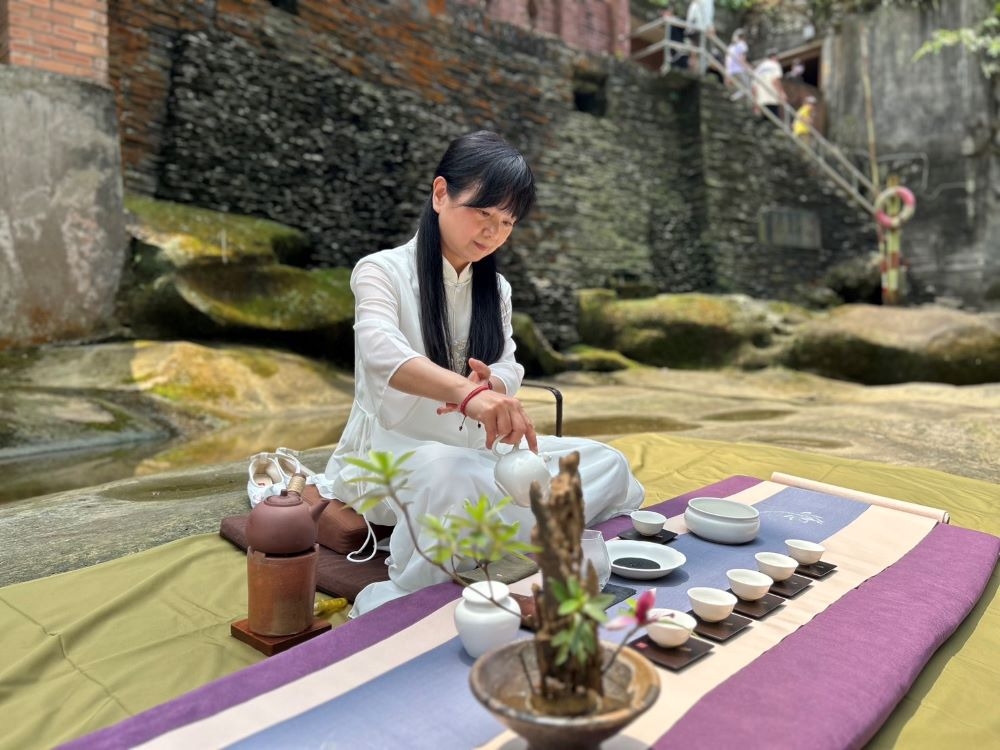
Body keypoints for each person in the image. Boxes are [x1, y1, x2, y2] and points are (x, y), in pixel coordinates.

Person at [325, 131, 645, 617]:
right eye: (483, 212)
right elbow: (380, 353)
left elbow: (509, 362)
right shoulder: (380, 271)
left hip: (478, 453)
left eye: (507, 222)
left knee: (607, 462)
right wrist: (468, 395)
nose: (493, 231)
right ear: (440, 194)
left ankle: (491, 533)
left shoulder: (496, 288)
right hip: (399, 458)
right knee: (449, 475)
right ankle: (452, 571)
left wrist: (493, 383)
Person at [752, 49, 786, 121]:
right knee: (774, 119)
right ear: (774, 57)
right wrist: (781, 93)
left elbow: (754, 87)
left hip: (761, 99)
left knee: (765, 119)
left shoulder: (758, 68)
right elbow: (775, 80)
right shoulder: (775, 65)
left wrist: (756, 103)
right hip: (772, 97)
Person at [684, 0, 715, 73]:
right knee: (698, 51)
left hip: (692, 25)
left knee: (693, 50)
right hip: (700, 27)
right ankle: (696, 70)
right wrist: (709, 26)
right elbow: (707, 12)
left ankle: (692, 68)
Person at [725, 28, 750, 100]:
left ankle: (733, 97)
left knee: (739, 88)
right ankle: (732, 98)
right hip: (739, 70)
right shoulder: (742, 44)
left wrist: (727, 73)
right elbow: (741, 59)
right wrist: (748, 68)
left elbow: (727, 61)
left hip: (730, 71)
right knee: (747, 88)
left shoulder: (730, 47)